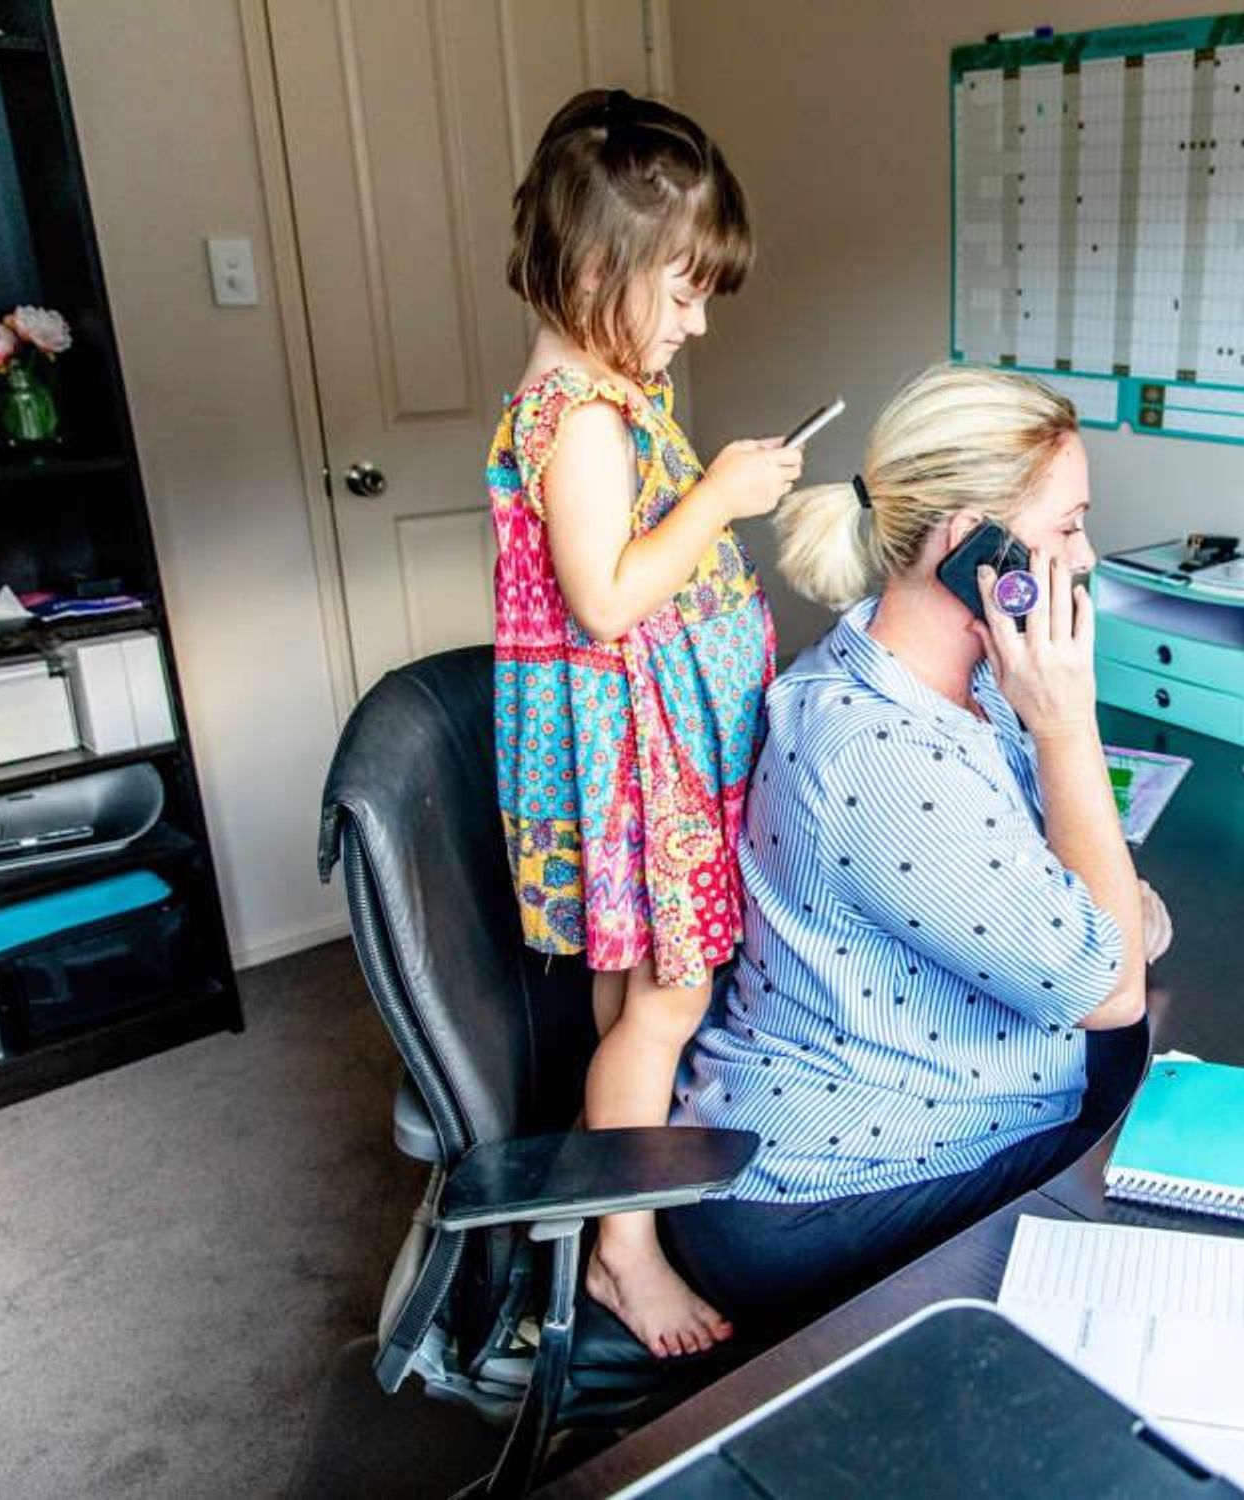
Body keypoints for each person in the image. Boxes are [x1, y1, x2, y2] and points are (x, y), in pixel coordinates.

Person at [664, 365, 1170, 1339]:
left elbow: (1117, 918)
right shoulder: (878, 751)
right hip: (819, 1191)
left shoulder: (969, 691)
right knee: (1152, 1211)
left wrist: (1108, 924)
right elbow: (1110, 977)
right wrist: (1070, 727)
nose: (1086, 553)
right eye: (1066, 525)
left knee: (1158, 1115)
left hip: (935, 1125)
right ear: (969, 547)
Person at [488, 88, 800, 1357]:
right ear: (592, 266)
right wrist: (720, 497)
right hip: (636, 774)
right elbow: (606, 599)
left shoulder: (602, 396)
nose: (695, 317)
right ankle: (626, 1252)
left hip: (650, 760)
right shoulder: (582, 420)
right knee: (666, 1008)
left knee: (638, 1012)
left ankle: (614, 1213)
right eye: (678, 290)